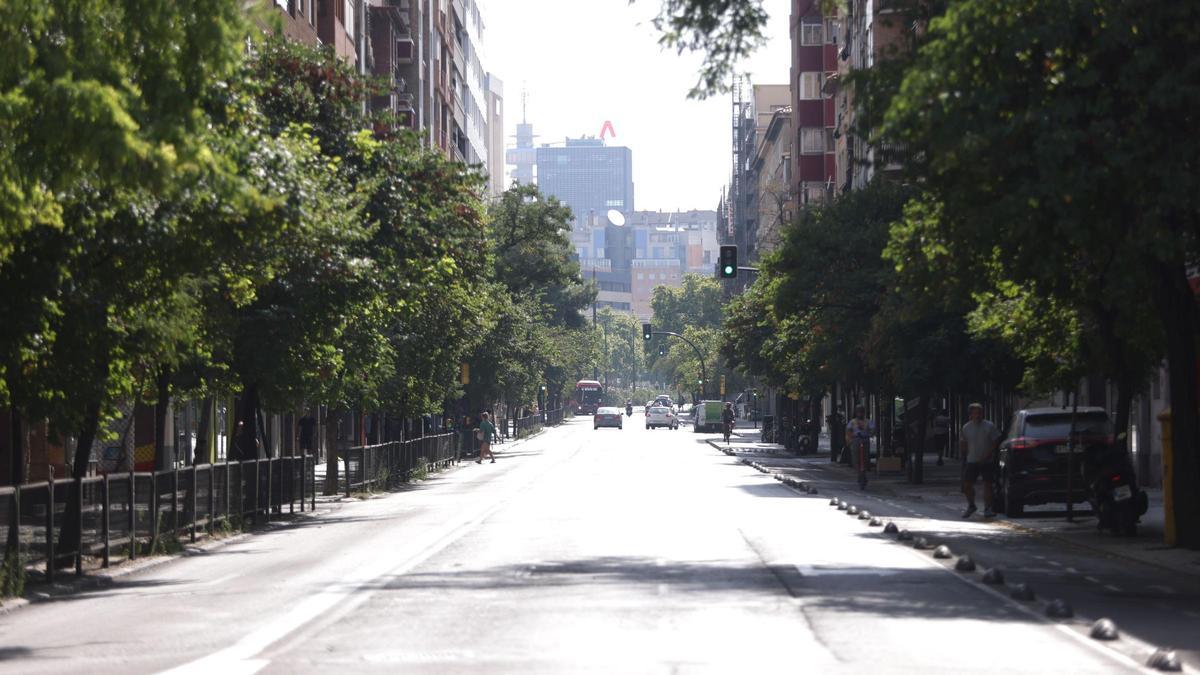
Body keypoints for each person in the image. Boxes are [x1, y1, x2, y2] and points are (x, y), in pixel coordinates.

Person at [960, 402, 1001, 518]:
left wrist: (988, 454)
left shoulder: (989, 426)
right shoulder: (966, 427)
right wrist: (963, 454)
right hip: (971, 460)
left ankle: (988, 508)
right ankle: (971, 505)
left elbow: (995, 441)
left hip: (986, 461)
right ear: (971, 414)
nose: (978, 415)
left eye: (979, 412)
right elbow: (963, 442)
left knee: (988, 484)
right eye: (975, 413)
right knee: (967, 485)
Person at [844, 405, 875, 489]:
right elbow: (848, 431)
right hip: (856, 441)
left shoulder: (868, 421)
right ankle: (859, 474)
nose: (860, 413)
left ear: (864, 413)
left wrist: (870, 433)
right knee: (855, 459)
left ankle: (864, 473)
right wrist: (851, 437)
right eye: (858, 412)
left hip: (865, 440)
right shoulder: (852, 422)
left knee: (865, 458)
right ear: (856, 413)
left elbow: (872, 430)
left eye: (861, 412)